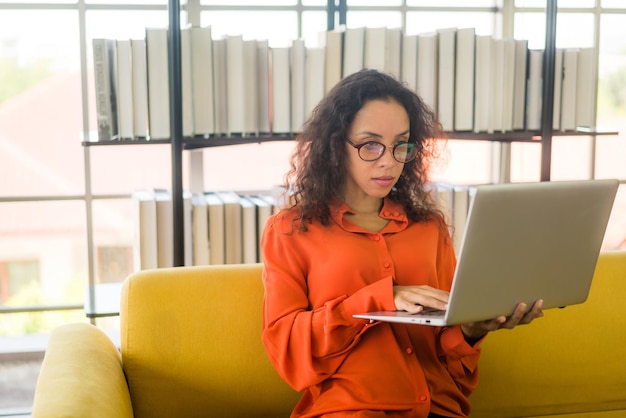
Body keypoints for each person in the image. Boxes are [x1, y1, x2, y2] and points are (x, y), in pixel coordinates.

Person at [260, 69, 544, 418]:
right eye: (371, 144)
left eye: (401, 145)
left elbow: (447, 341)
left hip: (442, 408)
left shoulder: (429, 228)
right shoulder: (290, 230)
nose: (388, 161)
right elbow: (285, 346)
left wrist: (470, 331)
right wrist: (379, 298)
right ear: (336, 145)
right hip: (351, 409)